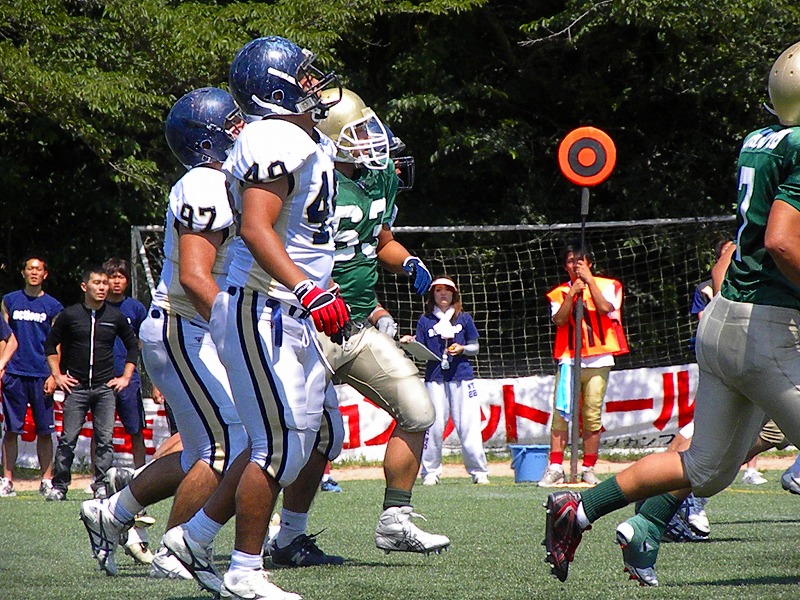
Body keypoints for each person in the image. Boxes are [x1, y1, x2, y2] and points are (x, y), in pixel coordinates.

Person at [543, 40, 800, 587]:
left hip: (726, 320)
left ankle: (580, 510)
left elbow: (742, 246)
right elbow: (781, 241)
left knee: (704, 469)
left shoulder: (761, 140)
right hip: (769, 329)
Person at [164, 36, 347, 600]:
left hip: (288, 308)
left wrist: (314, 287)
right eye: (303, 75)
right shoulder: (273, 137)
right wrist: (307, 288)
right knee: (277, 445)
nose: (313, 83)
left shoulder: (303, 138)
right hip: (264, 306)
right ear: (275, 87)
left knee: (295, 440)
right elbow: (254, 227)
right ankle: (244, 570)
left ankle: (194, 538)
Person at [258, 88, 449, 569]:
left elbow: (380, 240)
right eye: (356, 132)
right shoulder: (307, 174)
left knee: (417, 409)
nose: (369, 140)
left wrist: (408, 261)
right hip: (306, 324)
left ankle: (394, 520)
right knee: (292, 437)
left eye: (368, 128)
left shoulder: (379, 175)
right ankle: (210, 531)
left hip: (355, 325)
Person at [78, 87, 248, 583]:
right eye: (233, 125)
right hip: (185, 326)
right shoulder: (204, 183)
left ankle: (112, 512)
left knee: (201, 450)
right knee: (226, 445)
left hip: (192, 328)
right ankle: (177, 551)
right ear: (207, 141)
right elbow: (195, 276)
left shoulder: (224, 180)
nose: (243, 131)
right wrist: (234, 332)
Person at [43, 266, 139, 501]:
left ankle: (102, 485)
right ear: (84, 286)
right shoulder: (70, 315)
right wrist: (57, 375)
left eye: (105, 283)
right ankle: (59, 486)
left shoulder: (115, 316)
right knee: (68, 439)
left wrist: (125, 377)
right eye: (97, 283)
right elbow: (50, 344)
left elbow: (133, 346)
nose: (103, 287)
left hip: (105, 388)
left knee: (105, 440)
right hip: (76, 387)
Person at [538, 242, 627, 487]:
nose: (575, 266)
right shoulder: (559, 292)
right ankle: (556, 466)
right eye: (570, 261)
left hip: (599, 359)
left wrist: (589, 282)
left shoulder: (609, 286)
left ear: (589, 263)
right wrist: (572, 294)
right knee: (561, 414)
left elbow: (605, 308)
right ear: (564, 266)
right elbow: (559, 320)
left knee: (591, 414)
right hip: (569, 359)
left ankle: (588, 467)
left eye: (580, 261)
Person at [401, 276, 488, 485]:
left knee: (468, 425)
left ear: (453, 294)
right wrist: (410, 342)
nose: (443, 294)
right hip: (435, 378)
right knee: (434, 426)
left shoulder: (463, 318)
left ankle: (479, 471)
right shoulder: (425, 320)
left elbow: (475, 347)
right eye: (438, 290)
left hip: (462, 377)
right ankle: (430, 472)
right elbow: (421, 348)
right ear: (433, 294)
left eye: (447, 290)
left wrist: (462, 349)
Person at [1, 256, 63, 498]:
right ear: (23, 273)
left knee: (45, 431)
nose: (34, 273)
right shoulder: (10, 301)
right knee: (11, 430)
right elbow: (4, 337)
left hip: (41, 374)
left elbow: (56, 343)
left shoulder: (53, 306)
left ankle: (46, 480)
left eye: (38, 269)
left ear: (45, 274)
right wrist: (2, 366)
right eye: (30, 269)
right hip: (15, 373)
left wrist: (54, 374)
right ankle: (7, 480)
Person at [103, 258, 148, 468]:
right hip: (101, 377)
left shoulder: (135, 308)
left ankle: (140, 472)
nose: (117, 281)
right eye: (112, 277)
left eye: (121, 277)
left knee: (135, 429)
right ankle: (99, 475)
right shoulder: (98, 306)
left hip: (128, 377)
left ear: (127, 281)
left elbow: (143, 341)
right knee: (101, 431)